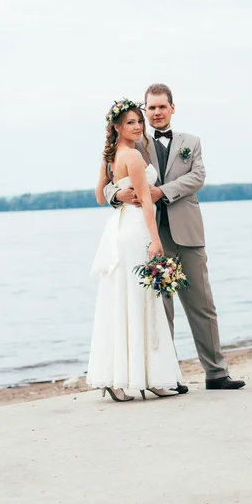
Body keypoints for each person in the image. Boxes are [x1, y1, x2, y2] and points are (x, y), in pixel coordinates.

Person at [104, 84, 245, 390]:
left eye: (161, 107)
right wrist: (118, 194)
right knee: (159, 308)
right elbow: (109, 181)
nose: (156, 113)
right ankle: (168, 377)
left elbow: (197, 177)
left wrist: (161, 192)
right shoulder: (133, 141)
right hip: (150, 235)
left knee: (202, 304)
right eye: (150, 108)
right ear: (144, 110)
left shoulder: (190, 142)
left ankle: (217, 373)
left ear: (172, 108)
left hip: (189, 232)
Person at [86, 99, 184, 402]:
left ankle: (121, 379)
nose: (138, 126)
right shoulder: (132, 156)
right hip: (135, 232)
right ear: (117, 127)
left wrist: (116, 192)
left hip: (117, 229)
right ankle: (149, 377)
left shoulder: (110, 157)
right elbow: (146, 201)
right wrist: (156, 241)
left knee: (122, 300)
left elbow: (100, 197)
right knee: (143, 302)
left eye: (139, 121)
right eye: (131, 122)